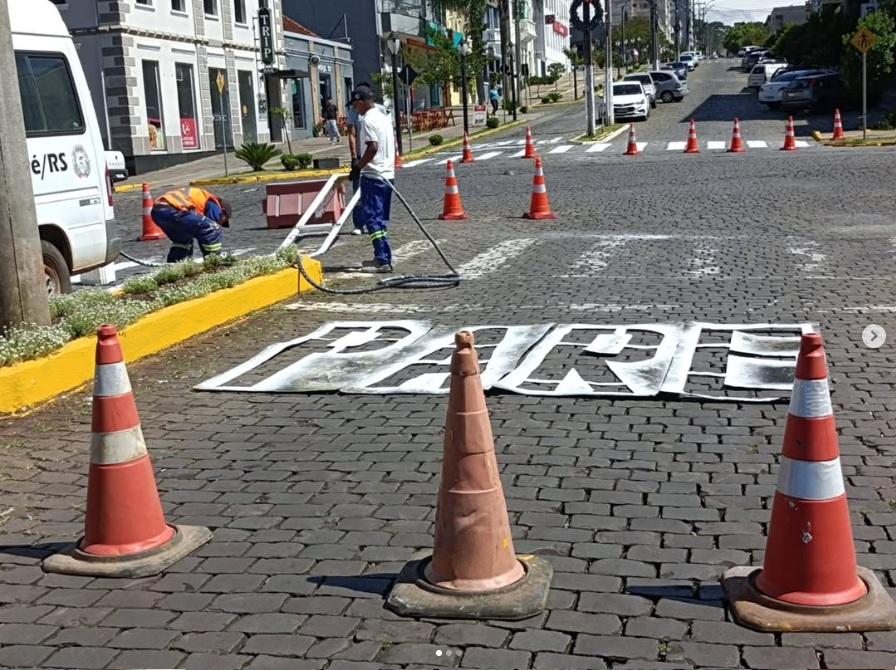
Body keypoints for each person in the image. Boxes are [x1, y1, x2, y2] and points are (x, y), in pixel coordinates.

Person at [348, 86, 395, 273]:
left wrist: (358, 166)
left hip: (374, 176)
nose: (355, 110)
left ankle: (383, 260)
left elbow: (373, 147)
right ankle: (381, 256)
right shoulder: (384, 118)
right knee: (381, 219)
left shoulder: (367, 120)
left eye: (355, 106)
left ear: (361, 102)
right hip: (388, 175)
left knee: (373, 219)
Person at [346, 83, 387, 236]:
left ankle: (378, 224)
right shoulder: (353, 112)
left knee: (377, 194)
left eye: (356, 104)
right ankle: (358, 223)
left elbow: (381, 139)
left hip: (376, 159)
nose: (356, 108)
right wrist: (354, 158)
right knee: (358, 191)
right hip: (361, 156)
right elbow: (351, 134)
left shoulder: (379, 111)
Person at [151, 187, 231, 263]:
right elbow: (208, 232)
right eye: (223, 220)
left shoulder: (202, 198)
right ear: (222, 211)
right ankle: (214, 263)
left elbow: (202, 233)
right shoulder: (214, 204)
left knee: (183, 240)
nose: (221, 223)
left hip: (158, 212)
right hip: (173, 209)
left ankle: (176, 266)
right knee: (213, 229)